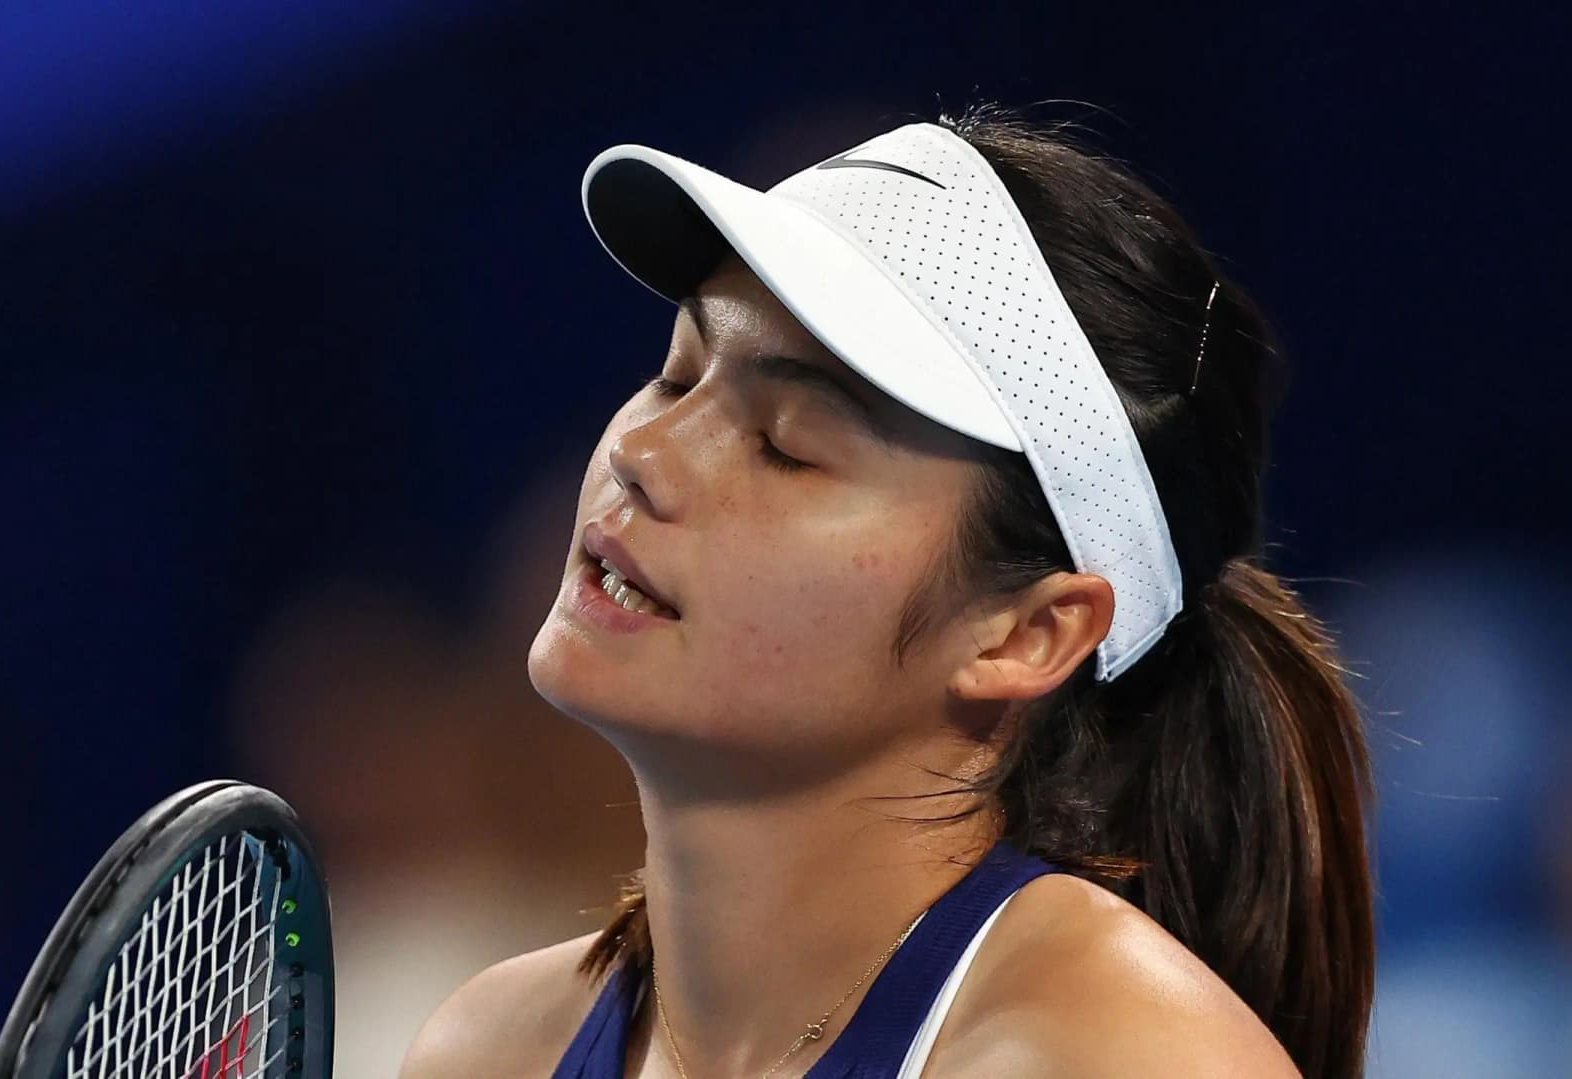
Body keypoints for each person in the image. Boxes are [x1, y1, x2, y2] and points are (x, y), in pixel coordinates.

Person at [402, 104, 1374, 1078]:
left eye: (786, 446)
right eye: (676, 374)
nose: (644, 453)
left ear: (1027, 633)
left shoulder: (1124, 1058)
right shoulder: (489, 1048)